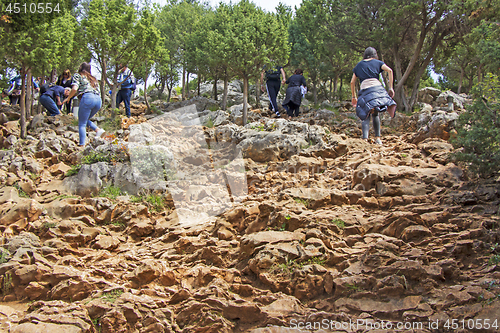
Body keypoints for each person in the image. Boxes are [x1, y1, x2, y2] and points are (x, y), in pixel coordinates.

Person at [351, 47, 396, 144]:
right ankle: (378, 139)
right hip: (377, 89)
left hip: (365, 91)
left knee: (365, 114)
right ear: (375, 55)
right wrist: (391, 87)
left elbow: (352, 82)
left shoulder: (359, 65)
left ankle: (365, 139)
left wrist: (354, 97)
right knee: (375, 113)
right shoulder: (378, 62)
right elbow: (390, 71)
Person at [63, 62, 105, 146]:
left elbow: (75, 89)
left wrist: (68, 98)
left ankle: (81, 145)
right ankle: (98, 130)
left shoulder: (78, 75)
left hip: (87, 99)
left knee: (81, 123)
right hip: (98, 100)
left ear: (80, 68)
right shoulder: (93, 78)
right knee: (85, 120)